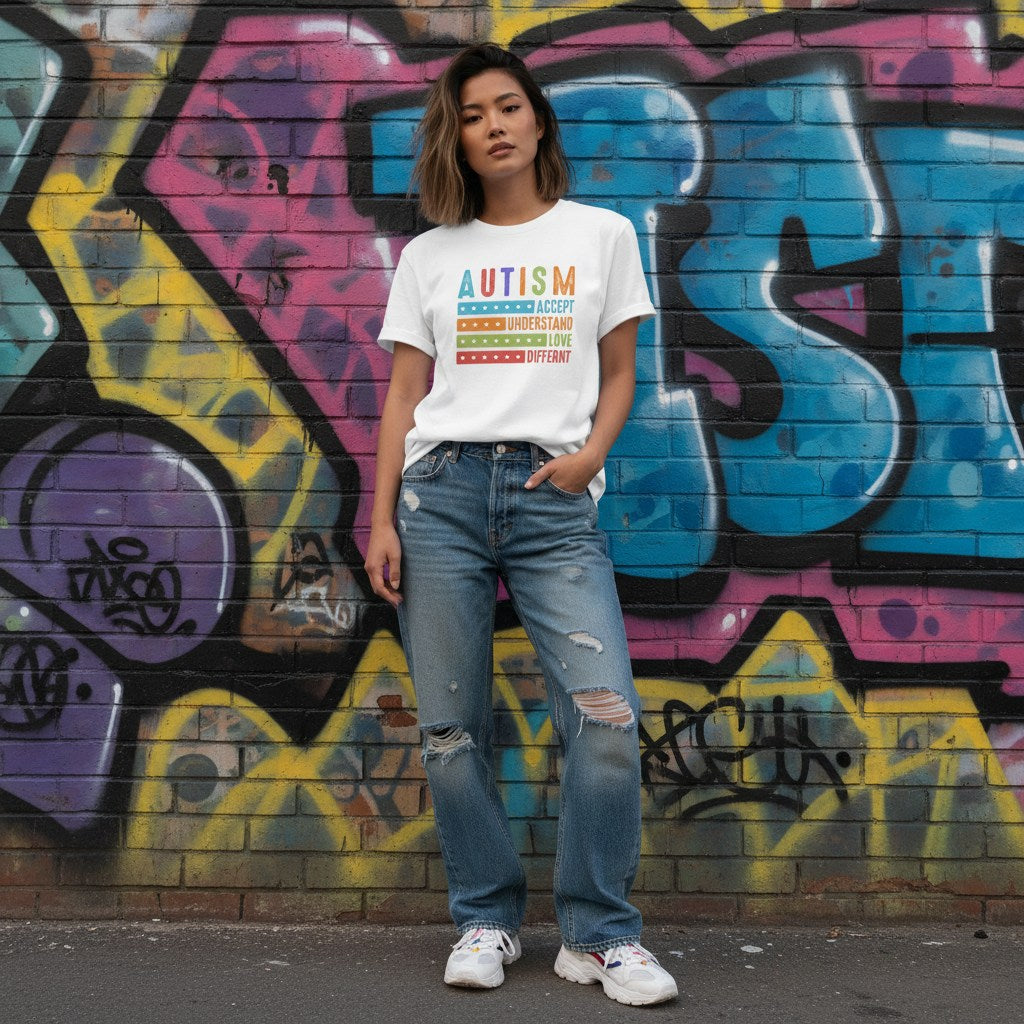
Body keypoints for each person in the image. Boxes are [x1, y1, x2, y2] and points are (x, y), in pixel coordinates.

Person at [364, 43, 678, 1007]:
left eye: (508, 106)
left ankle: (599, 934)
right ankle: (486, 919)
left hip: (554, 501)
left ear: (539, 118)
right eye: (471, 114)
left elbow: (621, 373)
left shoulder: (600, 236)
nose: (493, 125)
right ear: (454, 136)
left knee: (608, 718)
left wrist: (591, 458)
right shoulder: (430, 253)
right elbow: (404, 394)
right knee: (454, 727)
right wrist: (380, 518)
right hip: (442, 498)